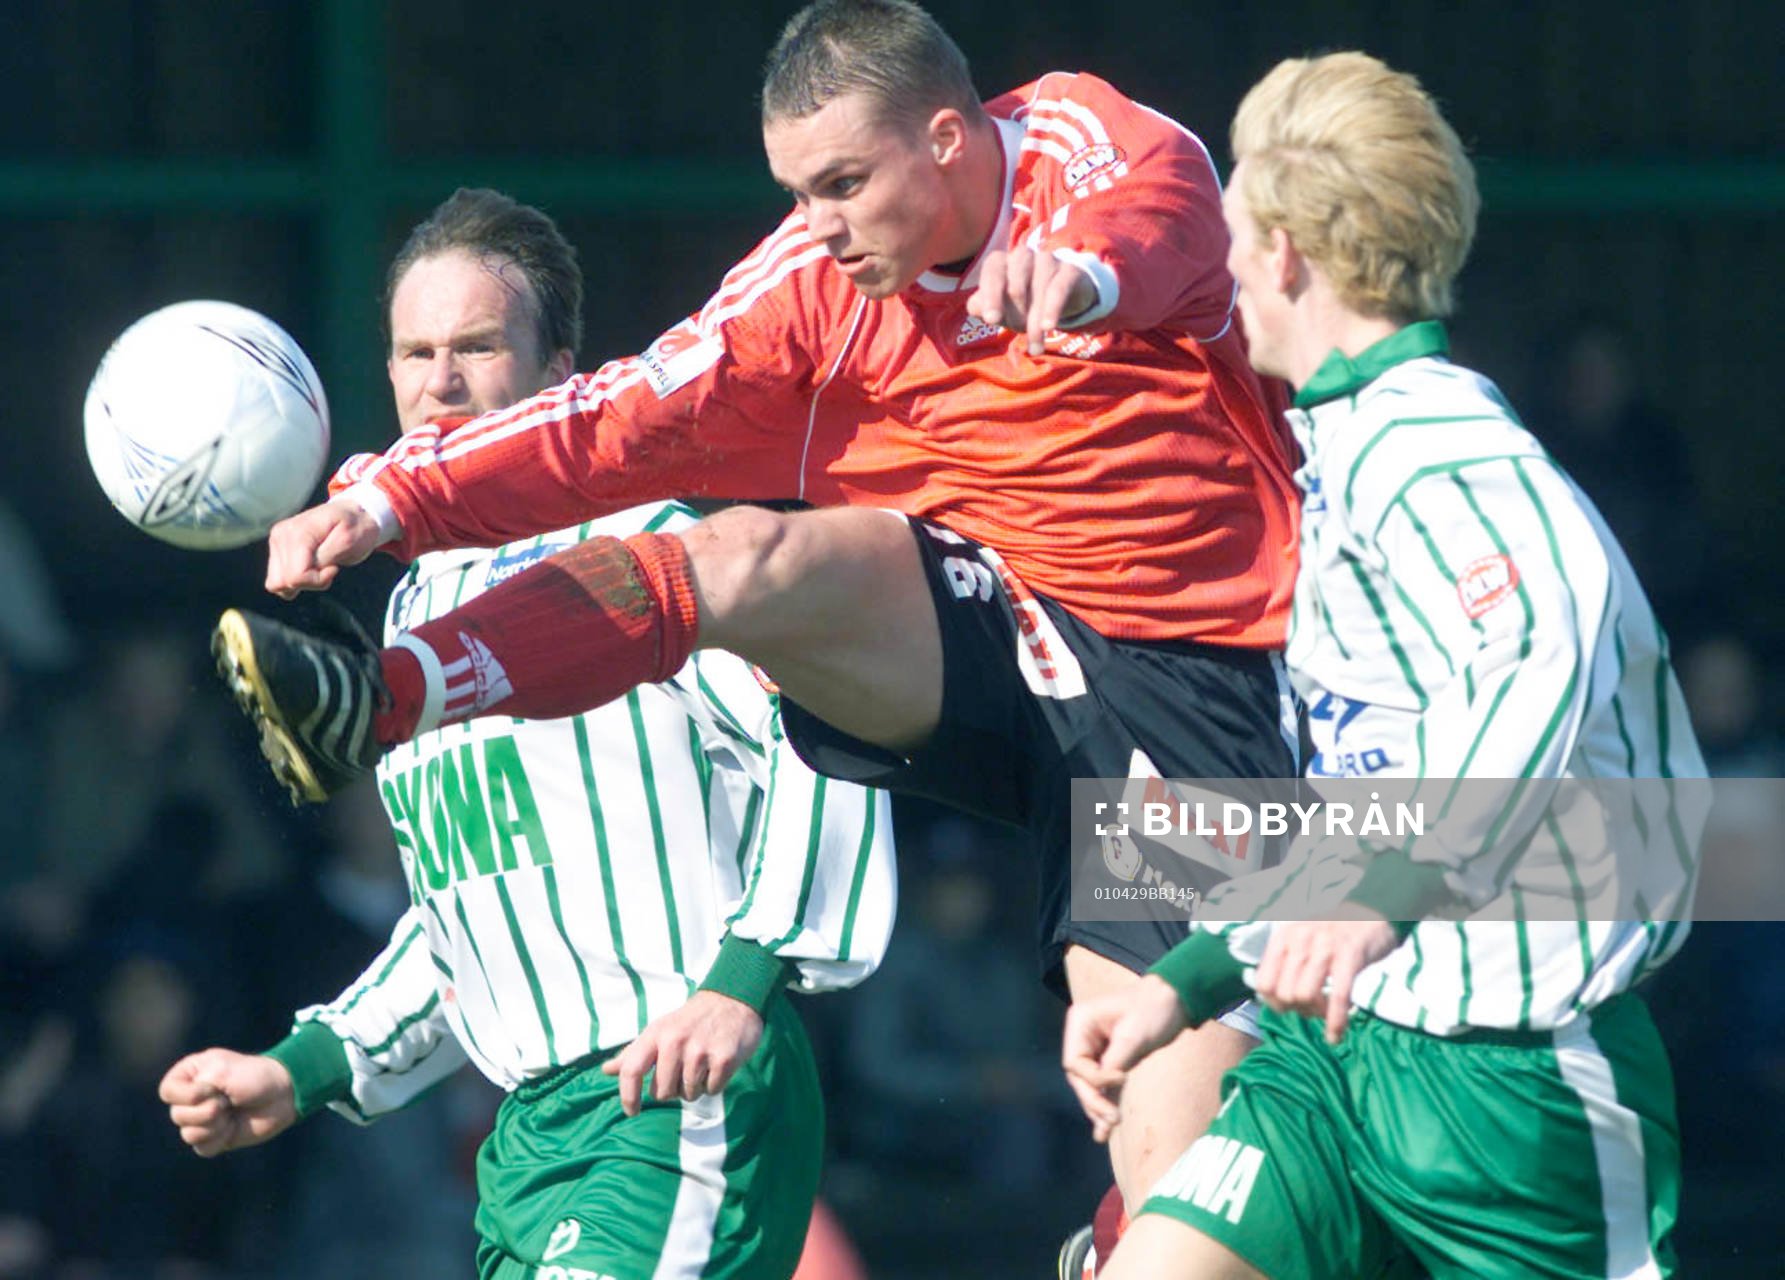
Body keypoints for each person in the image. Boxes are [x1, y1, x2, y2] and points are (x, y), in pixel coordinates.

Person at [209, 0, 1303, 1219]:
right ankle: (391, 692)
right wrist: (391, 498)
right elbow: (616, 416)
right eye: (797, 190)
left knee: (1187, 1185)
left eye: (843, 182)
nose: (819, 226)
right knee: (739, 557)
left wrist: (1087, 277)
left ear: (949, 136)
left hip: (1188, 700)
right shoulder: (810, 283)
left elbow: (1164, 217)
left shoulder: (1090, 148)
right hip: (993, 631)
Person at [164, 189, 897, 1280]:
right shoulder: (413, 613)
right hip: (528, 1140)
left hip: (672, 1092)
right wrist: (306, 1066)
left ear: (561, 373)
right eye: (415, 352)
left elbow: (836, 727)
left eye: (475, 346)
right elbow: (475, 906)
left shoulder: (655, 546)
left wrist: (741, 978)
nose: (439, 382)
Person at [1061, 52, 1706, 1279]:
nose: (1229, 263)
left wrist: (1380, 896)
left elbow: (1541, 650)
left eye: (1238, 231)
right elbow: (1373, 786)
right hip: (1339, 1055)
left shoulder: (1441, 442)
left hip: (1509, 1084)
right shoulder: (1348, 449)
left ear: (1291, 249)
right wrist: (1188, 977)